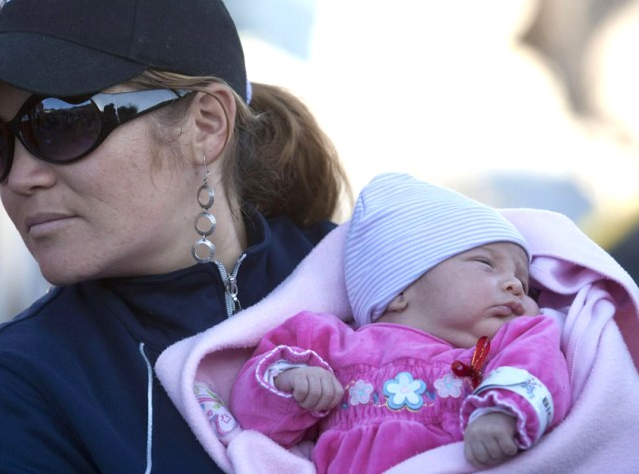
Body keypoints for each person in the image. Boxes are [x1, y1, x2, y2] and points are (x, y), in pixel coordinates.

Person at [0, 0, 349, 472]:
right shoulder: (21, 383)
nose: (20, 177)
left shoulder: (370, 277)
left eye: (60, 122)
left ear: (205, 125)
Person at [230, 173, 571, 473]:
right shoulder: (328, 342)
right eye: (486, 263)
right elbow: (253, 417)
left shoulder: (504, 345)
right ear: (398, 291)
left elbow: (536, 364)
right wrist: (292, 381)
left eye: (524, 283)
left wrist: (501, 413)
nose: (514, 285)